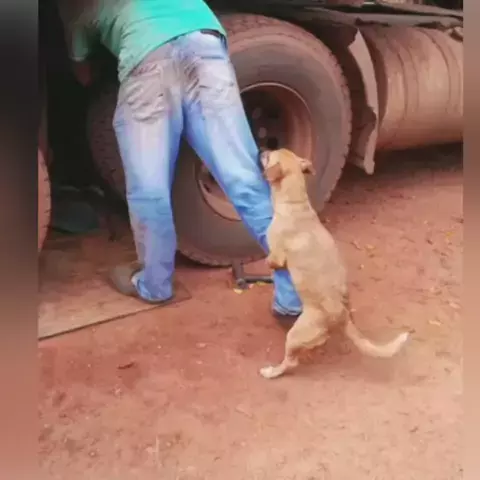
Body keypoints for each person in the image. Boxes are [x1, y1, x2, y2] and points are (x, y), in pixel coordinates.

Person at [59, 0, 302, 322]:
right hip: (206, 43)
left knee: (149, 187)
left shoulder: (81, 10)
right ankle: (294, 297)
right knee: (243, 177)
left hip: (148, 56)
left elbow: (84, 75)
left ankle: (155, 285)